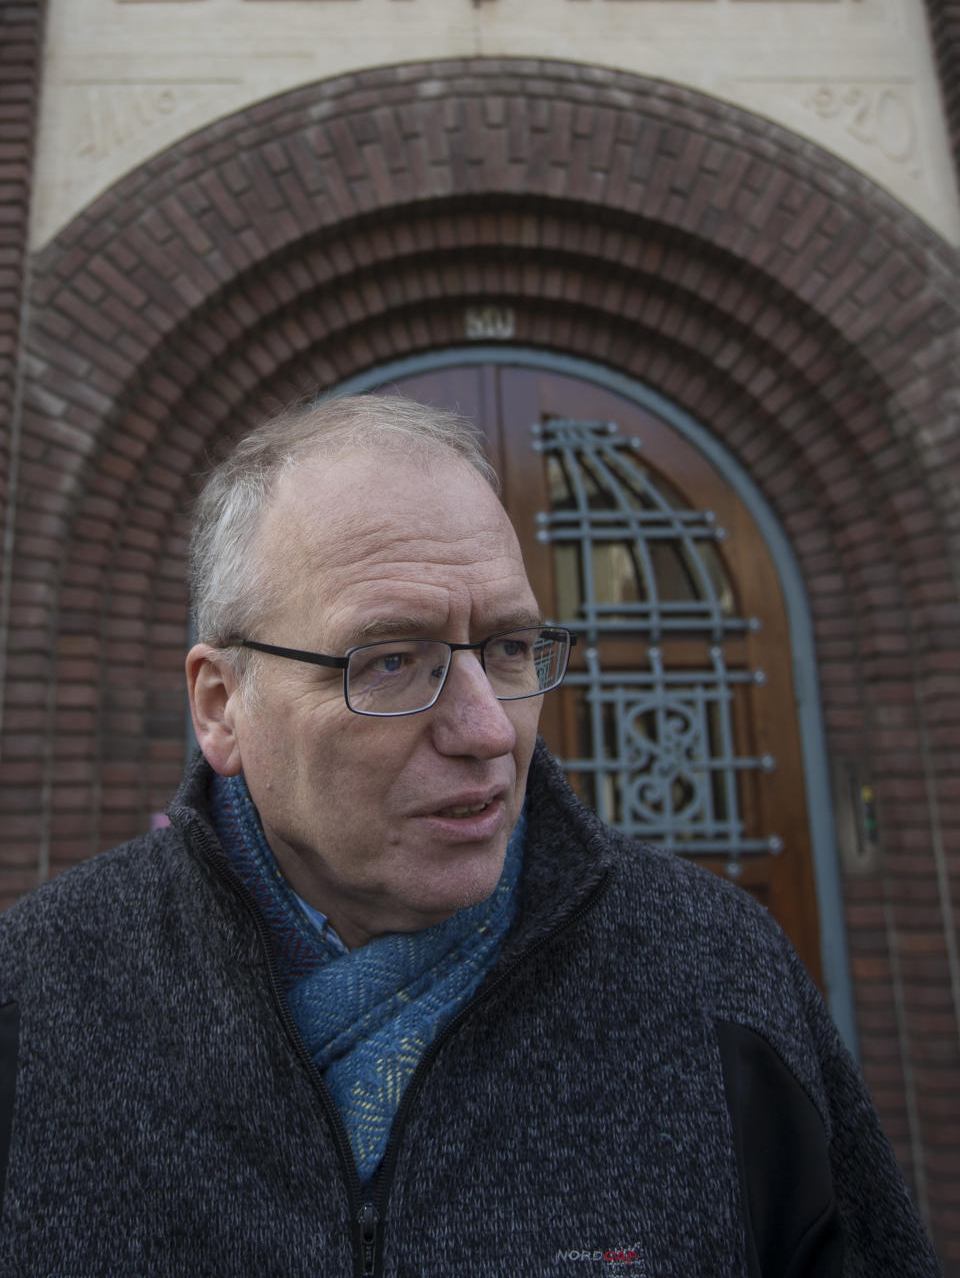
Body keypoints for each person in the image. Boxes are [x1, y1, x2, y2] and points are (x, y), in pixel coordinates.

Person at [0, 394, 941, 1278]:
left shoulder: (719, 974)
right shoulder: (40, 992)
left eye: (508, 648)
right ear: (222, 705)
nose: (490, 730)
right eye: (392, 659)